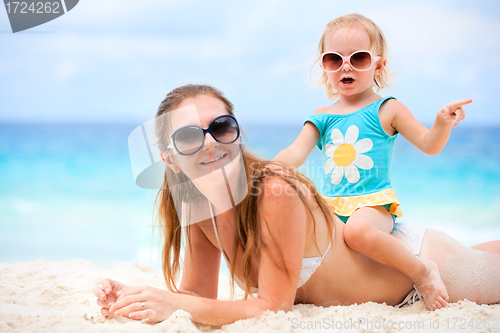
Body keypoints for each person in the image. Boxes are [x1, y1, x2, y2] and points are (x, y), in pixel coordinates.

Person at [93, 84, 500, 326]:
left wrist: (175, 302)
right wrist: (137, 298)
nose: (211, 142)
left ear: (236, 132)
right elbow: (199, 298)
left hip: (414, 270)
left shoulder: (273, 191)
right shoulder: (193, 200)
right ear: (168, 157)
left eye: (221, 127)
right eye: (187, 137)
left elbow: (273, 307)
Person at [273, 13, 473, 310]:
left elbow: (429, 144)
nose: (346, 66)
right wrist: (265, 168)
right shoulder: (322, 116)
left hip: (373, 204)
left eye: (359, 58)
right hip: (331, 207)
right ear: (324, 67)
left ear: (378, 65)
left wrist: (442, 123)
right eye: (334, 59)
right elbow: (294, 153)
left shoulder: (387, 109)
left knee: (357, 231)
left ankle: (422, 271)